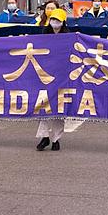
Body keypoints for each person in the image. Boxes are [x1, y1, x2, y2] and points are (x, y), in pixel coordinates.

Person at [37, 9, 68, 150]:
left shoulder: (68, 36)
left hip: (62, 76)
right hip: (45, 74)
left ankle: (56, 139)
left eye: (58, 20)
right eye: (53, 19)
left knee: (59, 109)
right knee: (43, 107)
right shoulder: (44, 34)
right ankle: (44, 137)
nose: (55, 22)